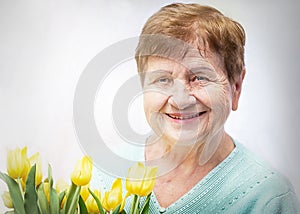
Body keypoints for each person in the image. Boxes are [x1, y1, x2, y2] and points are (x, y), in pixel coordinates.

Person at [93, 3, 300, 213]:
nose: (180, 100)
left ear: (236, 87)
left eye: (199, 77)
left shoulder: (269, 198)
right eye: (163, 80)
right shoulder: (102, 178)